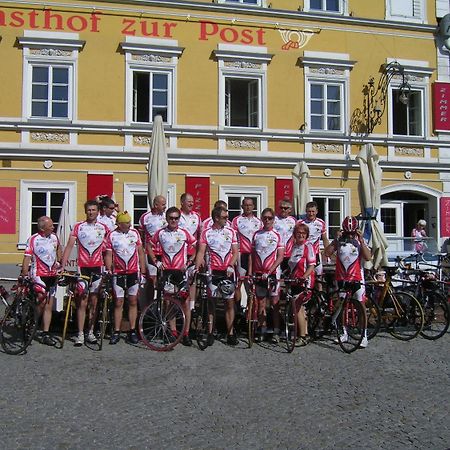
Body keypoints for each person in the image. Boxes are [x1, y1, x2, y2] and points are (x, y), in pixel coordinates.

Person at [60, 200, 109, 346]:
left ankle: (91, 331)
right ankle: (80, 333)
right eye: (89, 210)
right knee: (82, 300)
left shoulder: (104, 227)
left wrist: (108, 268)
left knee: (94, 301)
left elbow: (107, 251)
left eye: (93, 210)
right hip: (82, 267)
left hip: (98, 267)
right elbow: (69, 246)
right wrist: (62, 265)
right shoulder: (78, 227)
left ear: (98, 211)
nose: (91, 212)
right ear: (85, 211)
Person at [148, 207, 196, 346]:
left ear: (179, 219)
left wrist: (189, 262)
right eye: (171, 218)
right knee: (169, 302)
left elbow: (197, 246)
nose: (174, 220)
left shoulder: (184, 232)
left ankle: (186, 333)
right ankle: (173, 332)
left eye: (176, 218)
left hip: (181, 272)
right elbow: (149, 245)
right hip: (167, 271)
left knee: (185, 303)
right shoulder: (161, 233)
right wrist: (156, 261)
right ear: (167, 219)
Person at [324, 216, 371, 348]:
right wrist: (335, 240)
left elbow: (368, 257)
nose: (350, 235)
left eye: (352, 233)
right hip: (342, 278)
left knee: (361, 307)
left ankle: (364, 335)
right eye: (348, 233)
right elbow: (327, 253)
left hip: (357, 278)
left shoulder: (359, 239)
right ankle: (343, 332)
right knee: (342, 307)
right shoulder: (340, 239)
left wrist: (361, 241)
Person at [195, 206, 239, 346]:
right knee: (211, 302)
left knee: (229, 303)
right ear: (216, 218)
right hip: (212, 271)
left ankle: (230, 333)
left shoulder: (231, 231)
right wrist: (197, 265)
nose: (227, 219)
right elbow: (201, 252)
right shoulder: (206, 232)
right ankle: (210, 332)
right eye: (225, 217)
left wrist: (231, 265)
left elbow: (236, 252)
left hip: (227, 271)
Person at [104, 211, 147, 345]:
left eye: (129, 222)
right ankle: (116, 331)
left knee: (133, 300)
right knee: (119, 302)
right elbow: (108, 254)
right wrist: (109, 268)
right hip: (118, 272)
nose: (129, 224)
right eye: (126, 222)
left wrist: (143, 271)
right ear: (119, 224)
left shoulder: (134, 233)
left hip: (133, 271)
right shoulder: (112, 235)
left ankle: (132, 330)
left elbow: (140, 252)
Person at [20, 216, 62, 346]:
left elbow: (59, 249)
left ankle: (45, 332)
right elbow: (27, 257)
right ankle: (33, 322)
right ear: (43, 228)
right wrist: (24, 273)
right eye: (51, 225)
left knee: (49, 304)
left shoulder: (54, 237)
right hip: (38, 274)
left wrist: (60, 262)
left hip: (52, 274)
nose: (53, 227)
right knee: (42, 300)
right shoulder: (33, 239)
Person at [249, 207, 285, 343]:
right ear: (262, 219)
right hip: (258, 274)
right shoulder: (256, 234)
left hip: (273, 274)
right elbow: (252, 256)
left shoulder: (277, 235)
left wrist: (269, 272)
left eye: (270, 218)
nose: (267, 220)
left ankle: (276, 331)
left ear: (273, 219)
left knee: (274, 304)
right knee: (261, 304)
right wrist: (251, 272)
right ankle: (262, 330)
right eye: (265, 218)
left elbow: (280, 257)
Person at [286, 222, 316, 347]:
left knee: (298, 307)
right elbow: (290, 265)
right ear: (294, 234)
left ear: (307, 235)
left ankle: (302, 337)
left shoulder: (308, 246)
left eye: (304, 233)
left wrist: (304, 277)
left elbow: (312, 265)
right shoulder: (293, 246)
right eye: (298, 233)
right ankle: (305, 334)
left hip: (305, 282)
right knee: (300, 309)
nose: (301, 235)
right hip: (294, 281)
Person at [231, 197, 262, 309]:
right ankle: (238, 308)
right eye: (246, 205)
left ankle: (250, 307)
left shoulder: (259, 222)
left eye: (250, 205)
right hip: (241, 254)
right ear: (242, 206)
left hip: (254, 256)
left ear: (254, 207)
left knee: (252, 284)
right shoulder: (236, 220)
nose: (248, 207)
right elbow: (232, 238)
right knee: (239, 282)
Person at [139, 195, 167, 298]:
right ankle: (151, 303)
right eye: (163, 204)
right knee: (152, 279)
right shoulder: (145, 217)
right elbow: (141, 234)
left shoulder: (167, 216)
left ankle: (162, 302)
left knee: (164, 279)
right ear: (156, 205)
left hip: (165, 253)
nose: (165, 206)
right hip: (151, 252)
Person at [298, 201, 330, 285]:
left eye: (313, 211)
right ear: (306, 211)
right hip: (303, 254)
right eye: (309, 211)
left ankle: (319, 295)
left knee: (318, 276)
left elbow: (325, 238)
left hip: (316, 253)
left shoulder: (321, 223)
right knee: (304, 275)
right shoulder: (300, 223)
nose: (311, 214)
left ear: (316, 211)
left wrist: (327, 253)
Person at [273, 199, 297, 273]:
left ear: (290, 210)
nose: (283, 210)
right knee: (277, 275)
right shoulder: (274, 219)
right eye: (281, 207)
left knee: (288, 276)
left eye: (285, 208)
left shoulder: (293, 220)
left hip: (289, 252)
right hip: (276, 252)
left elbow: (296, 236)